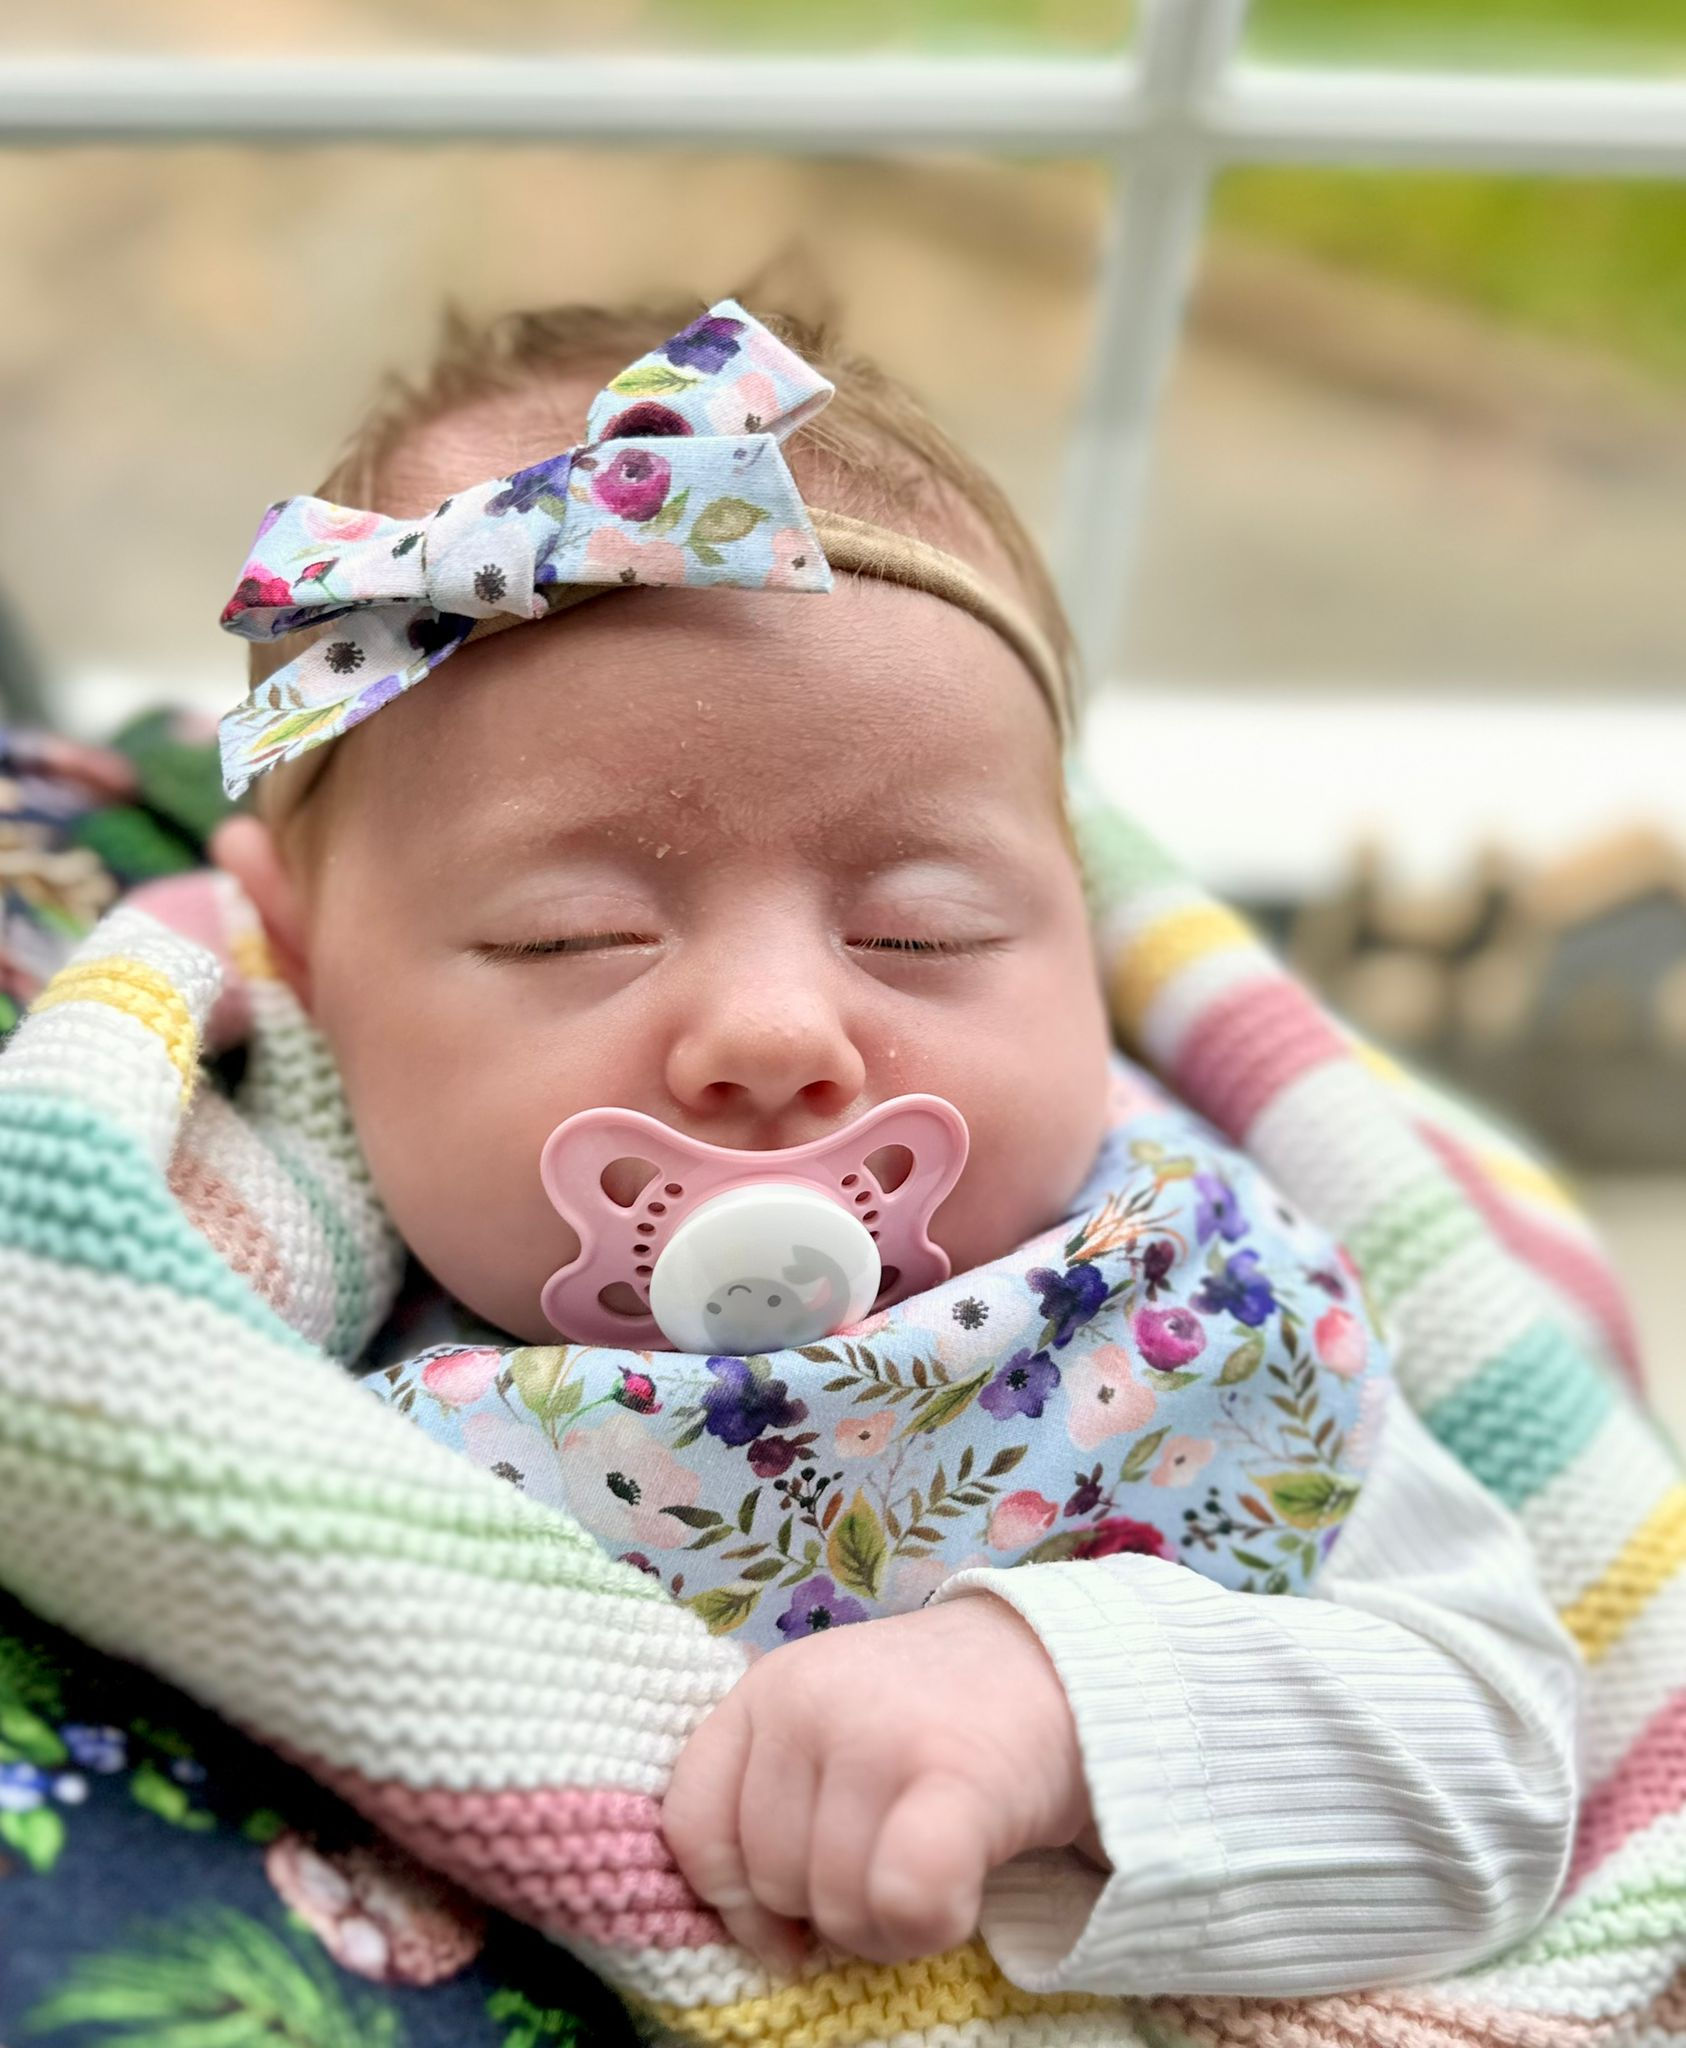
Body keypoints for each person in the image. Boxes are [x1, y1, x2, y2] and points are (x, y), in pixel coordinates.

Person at [178, 296, 1573, 1994]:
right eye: (570, 936)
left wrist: (1059, 1712)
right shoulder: (236, 1320)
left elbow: (1505, 1775)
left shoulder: (1185, 1318)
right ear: (300, 953)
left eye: (921, 933)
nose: (775, 1033)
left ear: (1082, 931)